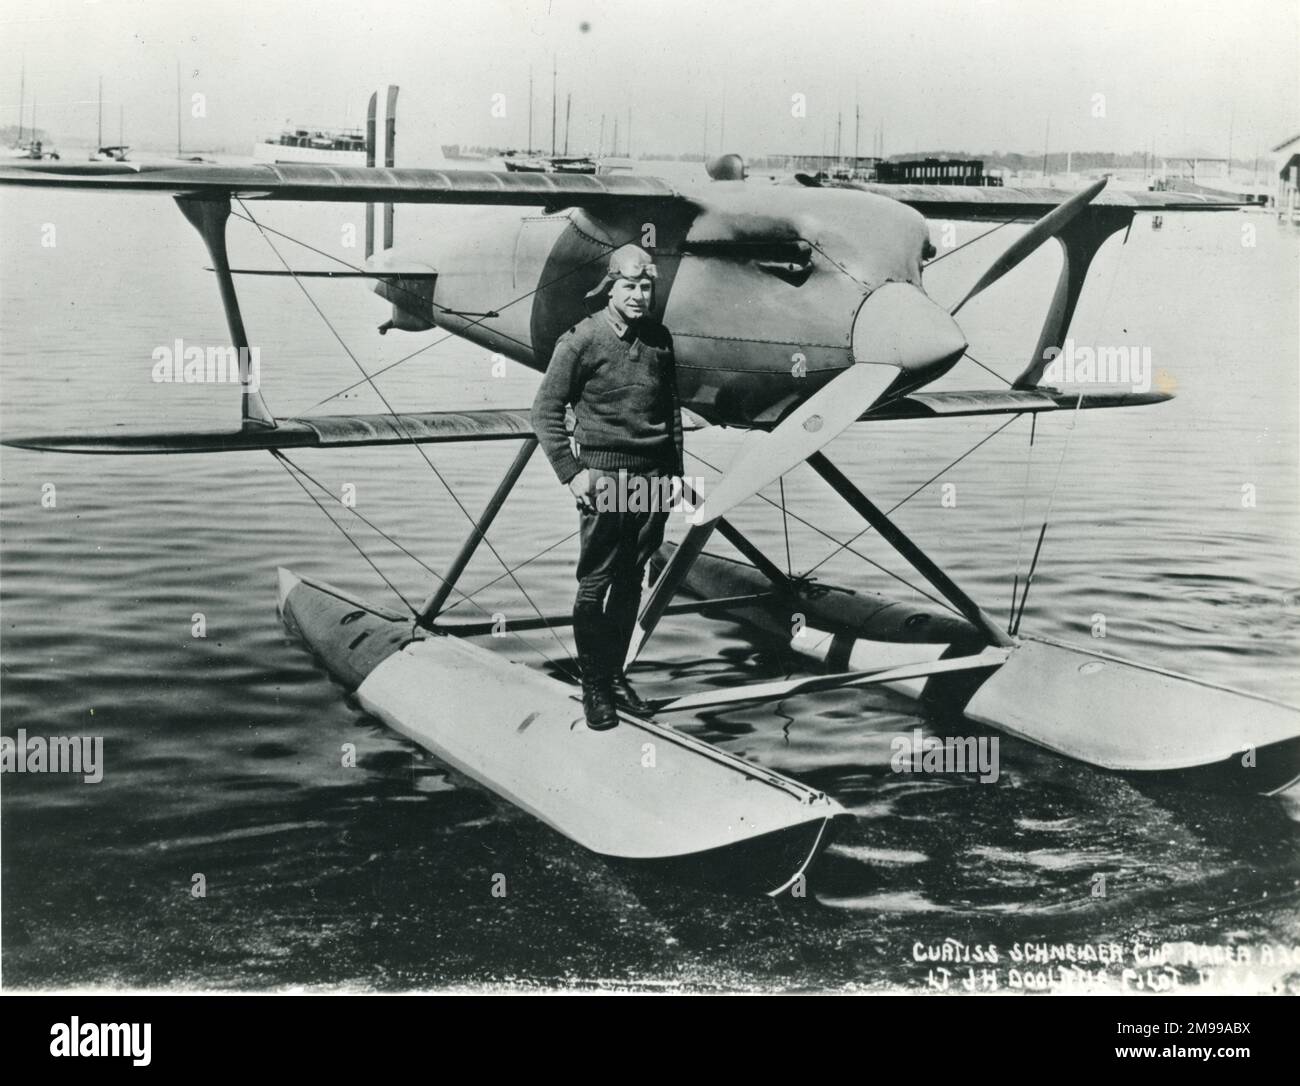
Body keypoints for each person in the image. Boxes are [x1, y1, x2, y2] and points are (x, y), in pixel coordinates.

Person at [530, 244, 684, 730]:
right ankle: (593, 685)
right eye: (629, 287)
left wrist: (674, 476)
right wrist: (571, 473)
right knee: (596, 581)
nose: (639, 296)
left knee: (632, 576)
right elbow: (545, 411)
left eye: (645, 287)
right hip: (604, 478)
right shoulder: (581, 339)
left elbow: (671, 411)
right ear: (610, 288)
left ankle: (615, 676)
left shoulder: (659, 339)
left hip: (652, 478)